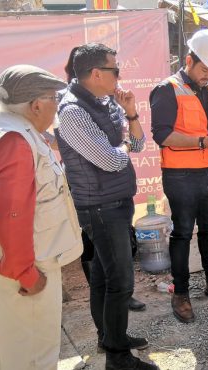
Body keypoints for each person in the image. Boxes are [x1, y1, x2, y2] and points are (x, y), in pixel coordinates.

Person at [0, 65, 83, 370]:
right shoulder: (14, 139)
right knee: (34, 354)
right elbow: (14, 214)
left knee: (16, 346)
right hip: (24, 265)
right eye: (54, 99)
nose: (56, 107)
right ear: (36, 104)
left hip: (0, 254)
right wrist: (25, 273)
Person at [56, 44, 157, 369]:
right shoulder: (72, 111)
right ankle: (117, 356)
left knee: (102, 276)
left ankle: (109, 337)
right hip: (99, 208)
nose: (120, 75)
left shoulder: (104, 102)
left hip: (115, 202)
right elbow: (112, 160)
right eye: (115, 69)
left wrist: (130, 112)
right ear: (96, 73)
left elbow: (139, 144)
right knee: (121, 282)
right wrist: (125, 143)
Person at [150, 29, 208, 324]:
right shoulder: (167, 89)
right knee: (181, 233)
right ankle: (180, 293)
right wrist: (201, 142)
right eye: (204, 69)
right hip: (181, 176)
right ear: (189, 60)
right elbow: (162, 135)